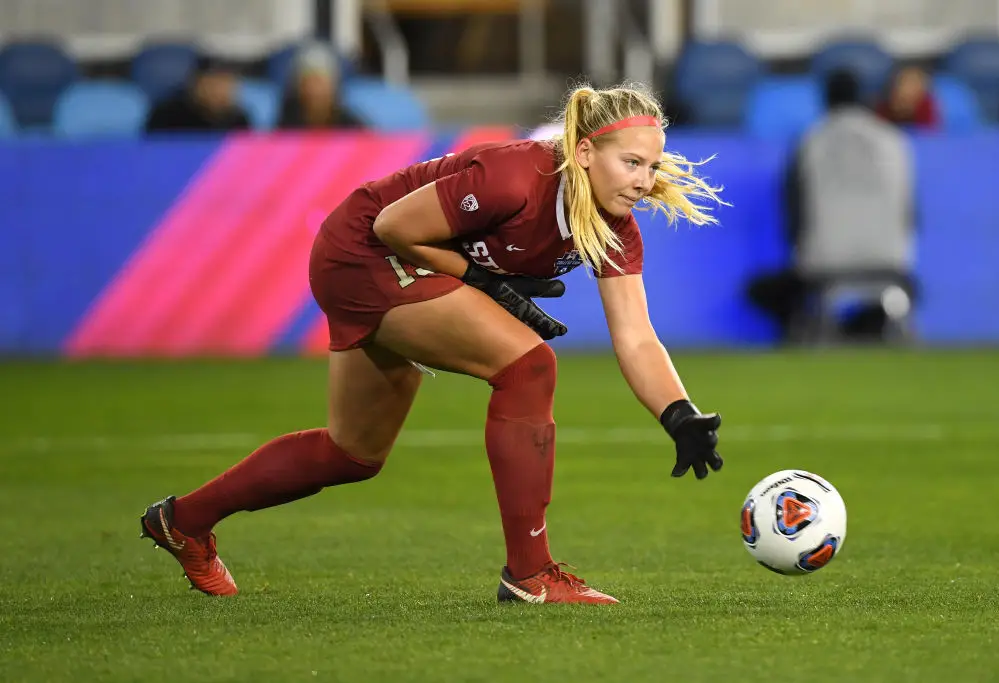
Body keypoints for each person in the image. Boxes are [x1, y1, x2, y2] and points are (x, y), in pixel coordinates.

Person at [140, 83, 726, 605]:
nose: (645, 181)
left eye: (651, 166)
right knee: (527, 366)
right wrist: (483, 282)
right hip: (363, 251)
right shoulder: (517, 177)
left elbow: (635, 335)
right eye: (631, 163)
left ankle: (182, 521)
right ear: (583, 153)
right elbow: (390, 227)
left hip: (397, 260)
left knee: (353, 454)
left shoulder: (614, 225)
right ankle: (531, 573)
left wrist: (678, 414)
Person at [748, 69, 916, 343]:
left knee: (760, 290)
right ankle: (869, 324)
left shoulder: (810, 141)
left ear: (826, 100)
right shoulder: (893, 141)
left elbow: (793, 211)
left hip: (822, 263)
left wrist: (799, 251)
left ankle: (806, 333)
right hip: (892, 261)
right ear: (863, 99)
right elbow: (910, 211)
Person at [145, 56, 251, 133]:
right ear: (197, 83)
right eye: (213, 83)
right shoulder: (166, 115)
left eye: (227, 83)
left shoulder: (239, 119)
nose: (220, 90)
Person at [276, 43, 364, 130]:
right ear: (299, 88)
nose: (315, 90)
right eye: (309, 82)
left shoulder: (350, 126)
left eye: (320, 82)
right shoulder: (287, 125)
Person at [875, 65, 939, 129]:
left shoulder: (926, 105)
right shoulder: (886, 106)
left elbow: (928, 131)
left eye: (915, 85)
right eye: (906, 83)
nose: (909, 89)